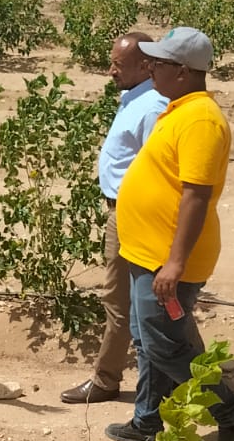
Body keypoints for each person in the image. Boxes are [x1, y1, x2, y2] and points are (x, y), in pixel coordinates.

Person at [105, 26, 234, 441]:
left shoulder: (203, 121)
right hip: (145, 250)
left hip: (167, 259)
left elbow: (197, 195)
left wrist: (174, 263)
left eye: (159, 62)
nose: (150, 67)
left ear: (185, 71)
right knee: (149, 339)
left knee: (166, 345)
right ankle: (147, 422)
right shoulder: (179, 108)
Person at [60, 32, 169, 405]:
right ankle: (180, 379)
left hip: (134, 214)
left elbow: (160, 170)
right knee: (129, 299)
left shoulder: (153, 106)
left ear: (145, 66)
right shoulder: (133, 97)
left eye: (117, 65)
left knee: (126, 300)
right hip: (120, 210)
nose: (109, 71)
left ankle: (109, 380)